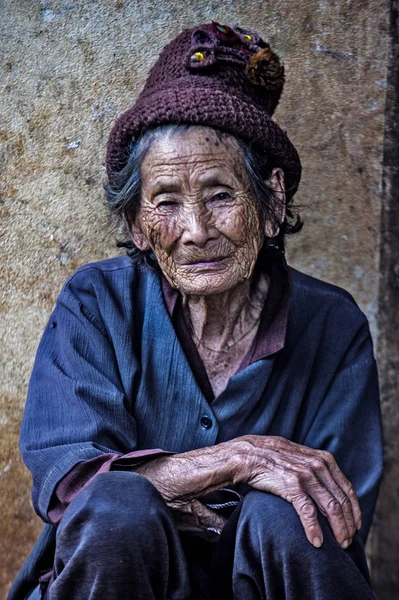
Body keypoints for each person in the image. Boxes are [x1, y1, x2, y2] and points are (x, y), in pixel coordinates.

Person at [8, 21, 383, 600]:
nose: (196, 232)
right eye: (166, 202)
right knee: (114, 508)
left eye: (220, 195)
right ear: (136, 223)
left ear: (272, 201)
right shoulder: (96, 303)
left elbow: (333, 511)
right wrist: (238, 459)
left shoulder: (332, 325)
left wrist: (177, 486)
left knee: (287, 518)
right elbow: (73, 491)